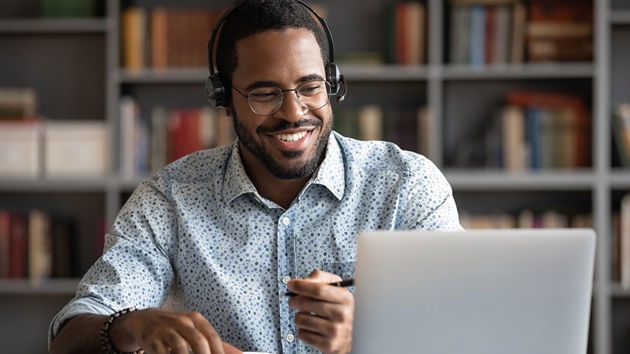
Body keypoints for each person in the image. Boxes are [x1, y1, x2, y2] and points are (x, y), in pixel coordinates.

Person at [49, 0, 462, 353]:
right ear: (224, 99)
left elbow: (464, 328)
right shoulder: (171, 197)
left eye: (310, 87)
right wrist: (130, 326)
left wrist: (369, 337)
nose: (294, 112)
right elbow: (70, 333)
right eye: (265, 93)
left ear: (331, 85)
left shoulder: (407, 185)